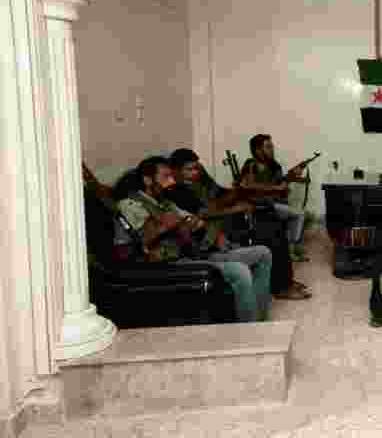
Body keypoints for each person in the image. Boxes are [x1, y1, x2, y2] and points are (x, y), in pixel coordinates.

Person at [117, 156, 274, 322]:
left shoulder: (165, 202)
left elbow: (194, 221)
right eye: (165, 177)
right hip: (167, 263)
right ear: (147, 180)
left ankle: (258, 319)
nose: (171, 182)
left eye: (171, 177)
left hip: (194, 252)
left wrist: (204, 229)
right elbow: (131, 246)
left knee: (263, 253)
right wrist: (163, 228)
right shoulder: (130, 205)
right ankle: (249, 329)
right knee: (239, 271)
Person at [166, 148, 311, 300]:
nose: (195, 172)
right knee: (270, 234)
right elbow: (203, 213)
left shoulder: (200, 182)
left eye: (197, 168)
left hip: (225, 221)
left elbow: (221, 195)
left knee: (274, 225)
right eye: (189, 169)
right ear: (175, 171)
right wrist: (235, 208)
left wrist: (238, 191)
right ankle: (281, 286)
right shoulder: (177, 191)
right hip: (214, 230)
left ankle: (285, 281)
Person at [240, 134, 309, 263]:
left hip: (273, 204)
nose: (272, 149)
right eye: (268, 147)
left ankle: (290, 249)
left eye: (272, 146)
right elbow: (246, 186)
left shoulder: (275, 166)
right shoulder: (250, 165)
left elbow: (280, 187)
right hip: (256, 206)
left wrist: (290, 180)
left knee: (302, 215)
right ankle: (290, 250)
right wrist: (275, 188)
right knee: (298, 214)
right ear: (257, 150)